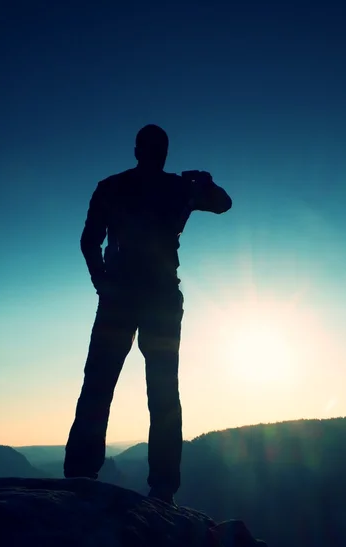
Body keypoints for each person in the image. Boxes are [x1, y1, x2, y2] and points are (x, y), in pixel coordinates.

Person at [64, 124, 232, 505]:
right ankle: (162, 487)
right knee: (161, 390)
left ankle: (82, 473)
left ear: (137, 150)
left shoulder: (113, 186)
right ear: (157, 152)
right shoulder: (178, 188)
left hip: (122, 298)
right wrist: (202, 182)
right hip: (157, 298)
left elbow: (89, 241)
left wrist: (102, 282)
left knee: (100, 383)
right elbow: (223, 203)